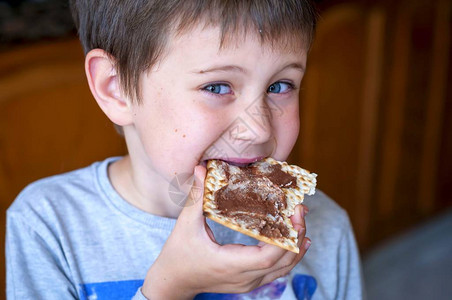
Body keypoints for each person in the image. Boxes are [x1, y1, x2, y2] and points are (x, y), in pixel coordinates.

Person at [6, 0, 364, 299]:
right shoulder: (47, 225)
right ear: (116, 89)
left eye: (281, 85)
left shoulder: (324, 227)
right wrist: (170, 288)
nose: (259, 129)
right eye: (218, 87)